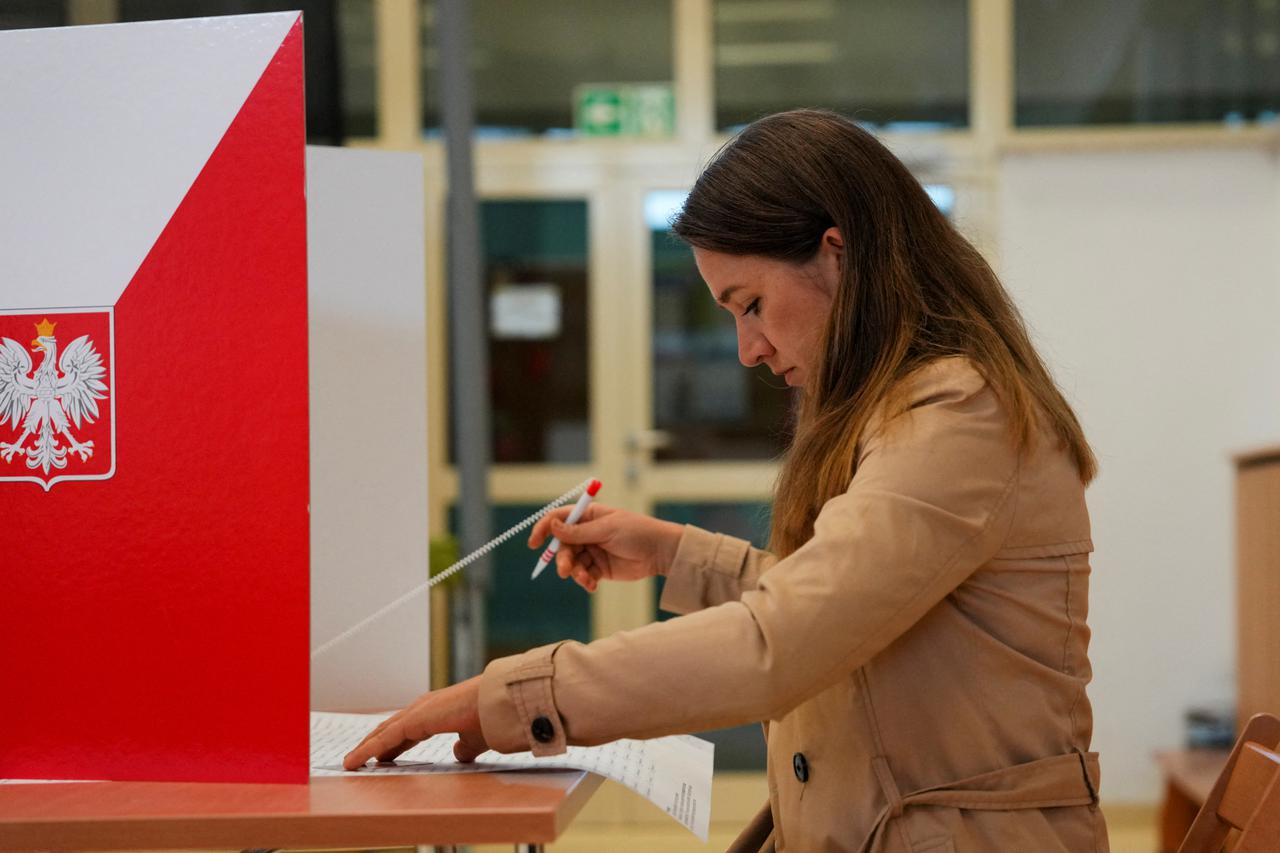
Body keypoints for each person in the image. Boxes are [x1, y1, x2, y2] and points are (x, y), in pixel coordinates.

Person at [343, 109, 1108, 852]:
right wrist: (674, 552)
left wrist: (513, 695)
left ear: (837, 254)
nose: (748, 349)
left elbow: (782, 641)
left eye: (752, 305)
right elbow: (843, 601)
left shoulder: (957, 413)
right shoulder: (912, 404)